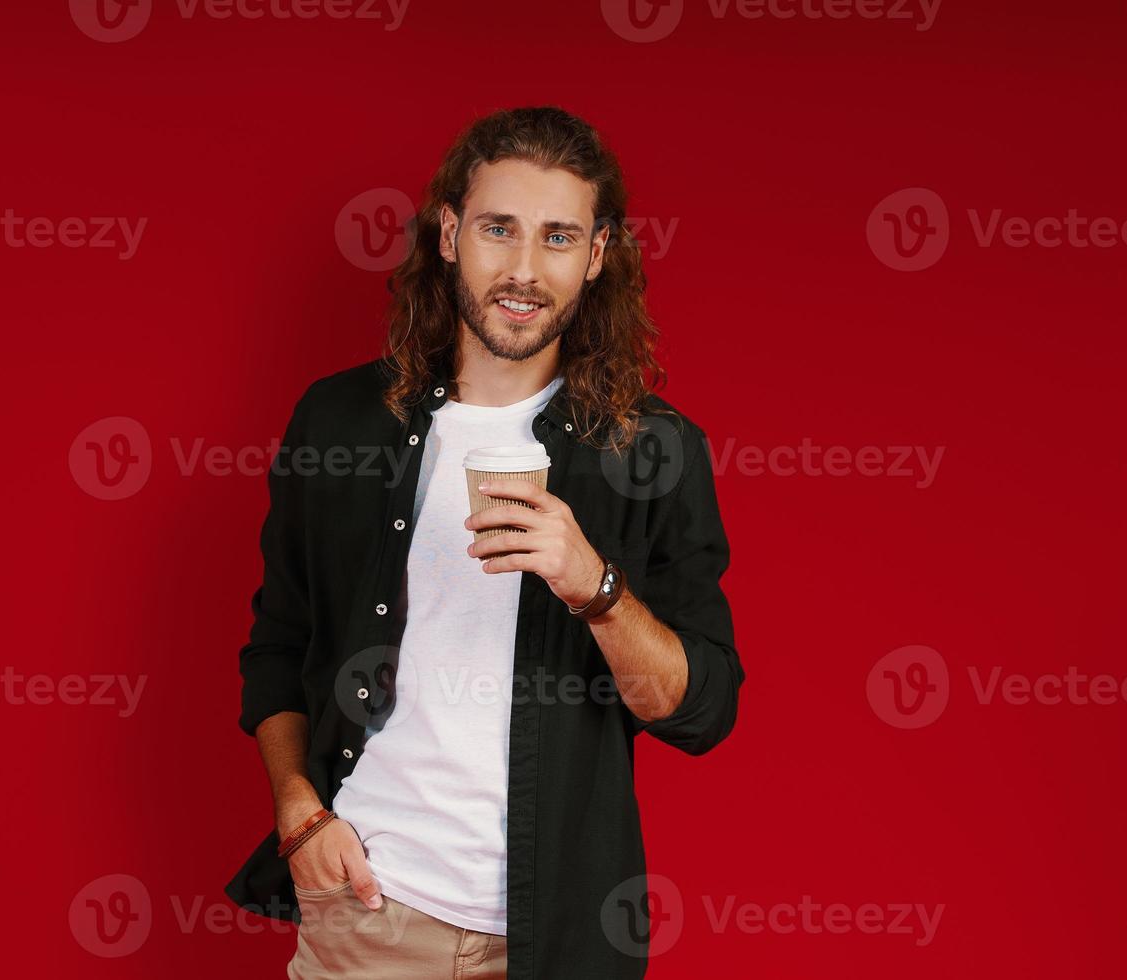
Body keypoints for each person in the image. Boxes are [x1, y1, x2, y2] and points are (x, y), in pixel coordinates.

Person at [224, 105, 745, 980]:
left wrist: (594, 586)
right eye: (500, 229)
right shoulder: (339, 420)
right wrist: (300, 816)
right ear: (451, 234)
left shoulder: (653, 452)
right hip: (372, 913)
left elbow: (700, 710)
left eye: (558, 237)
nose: (524, 269)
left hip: (565, 933)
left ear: (597, 254)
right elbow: (279, 643)